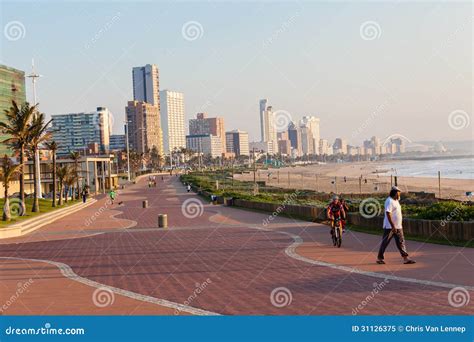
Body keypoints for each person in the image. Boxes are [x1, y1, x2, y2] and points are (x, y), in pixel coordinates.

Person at [377, 186, 415, 265]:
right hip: (390, 227)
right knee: (385, 242)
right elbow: (388, 213)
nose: (399, 194)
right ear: (395, 193)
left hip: (398, 226)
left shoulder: (396, 201)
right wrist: (393, 226)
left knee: (401, 242)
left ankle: (405, 258)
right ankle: (380, 258)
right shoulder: (389, 201)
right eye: (398, 193)